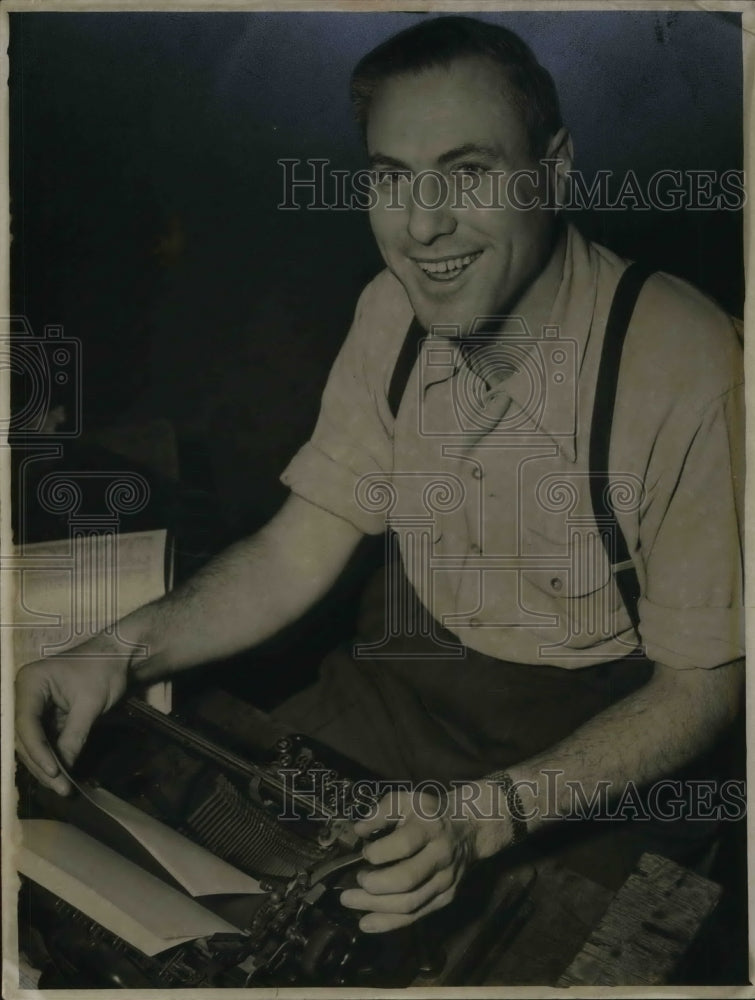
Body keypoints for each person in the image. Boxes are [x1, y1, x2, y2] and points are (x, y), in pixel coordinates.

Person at [16, 16, 744, 936]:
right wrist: (111, 652)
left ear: (555, 170)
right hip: (402, 678)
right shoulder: (392, 308)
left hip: (590, 743)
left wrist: (483, 819)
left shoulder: (686, 362)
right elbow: (297, 547)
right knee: (170, 881)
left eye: (468, 173)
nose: (422, 225)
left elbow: (704, 689)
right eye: (391, 179)